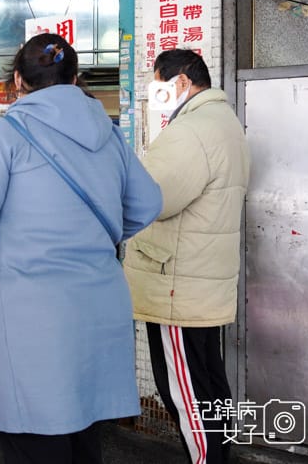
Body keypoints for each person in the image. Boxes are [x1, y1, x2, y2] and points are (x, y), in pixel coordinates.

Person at [0, 33, 163, 464]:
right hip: (100, 307)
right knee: (83, 440)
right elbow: (148, 204)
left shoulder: (5, 133)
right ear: (76, 78)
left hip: (30, 318)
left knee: (34, 441)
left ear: (17, 80)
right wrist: (90, 239)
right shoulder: (108, 134)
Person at [124, 49, 250, 464]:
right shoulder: (224, 122)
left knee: (185, 391)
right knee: (208, 381)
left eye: (158, 84)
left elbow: (152, 198)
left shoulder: (190, 131)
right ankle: (218, 455)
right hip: (203, 280)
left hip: (177, 282)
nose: (155, 93)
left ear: (181, 82)